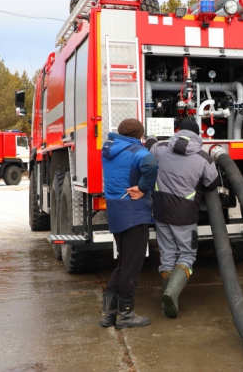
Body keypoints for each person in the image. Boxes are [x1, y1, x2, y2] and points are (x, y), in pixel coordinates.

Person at [146, 119, 220, 318]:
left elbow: (149, 145)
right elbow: (212, 184)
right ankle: (172, 292)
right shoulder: (203, 157)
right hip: (185, 215)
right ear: (198, 135)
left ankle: (168, 300)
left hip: (160, 211)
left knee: (167, 253)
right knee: (187, 255)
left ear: (177, 131)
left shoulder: (161, 149)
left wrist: (151, 137)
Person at [100, 118, 158, 329]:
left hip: (116, 212)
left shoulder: (109, 150)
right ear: (140, 135)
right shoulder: (137, 151)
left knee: (124, 263)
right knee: (131, 267)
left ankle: (108, 314)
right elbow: (151, 163)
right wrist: (143, 187)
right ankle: (126, 316)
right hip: (134, 213)